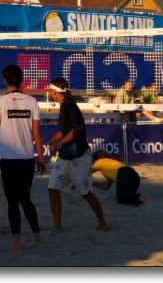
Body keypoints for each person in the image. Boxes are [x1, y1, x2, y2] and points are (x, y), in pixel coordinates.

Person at [0, 64, 46, 251]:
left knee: (12, 202)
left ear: (5, 80)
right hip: (26, 158)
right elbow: (37, 134)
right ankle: (38, 238)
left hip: (8, 160)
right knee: (26, 199)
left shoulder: (0, 103)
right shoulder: (32, 101)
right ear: (22, 79)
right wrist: (41, 158)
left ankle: (17, 244)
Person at [47, 78, 108, 231]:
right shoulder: (65, 106)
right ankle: (57, 227)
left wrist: (61, 142)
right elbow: (68, 129)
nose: (50, 94)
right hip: (65, 157)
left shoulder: (69, 106)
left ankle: (102, 223)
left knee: (86, 193)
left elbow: (78, 128)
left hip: (79, 157)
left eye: (51, 91)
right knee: (53, 190)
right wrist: (57, 137)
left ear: (55, 91)